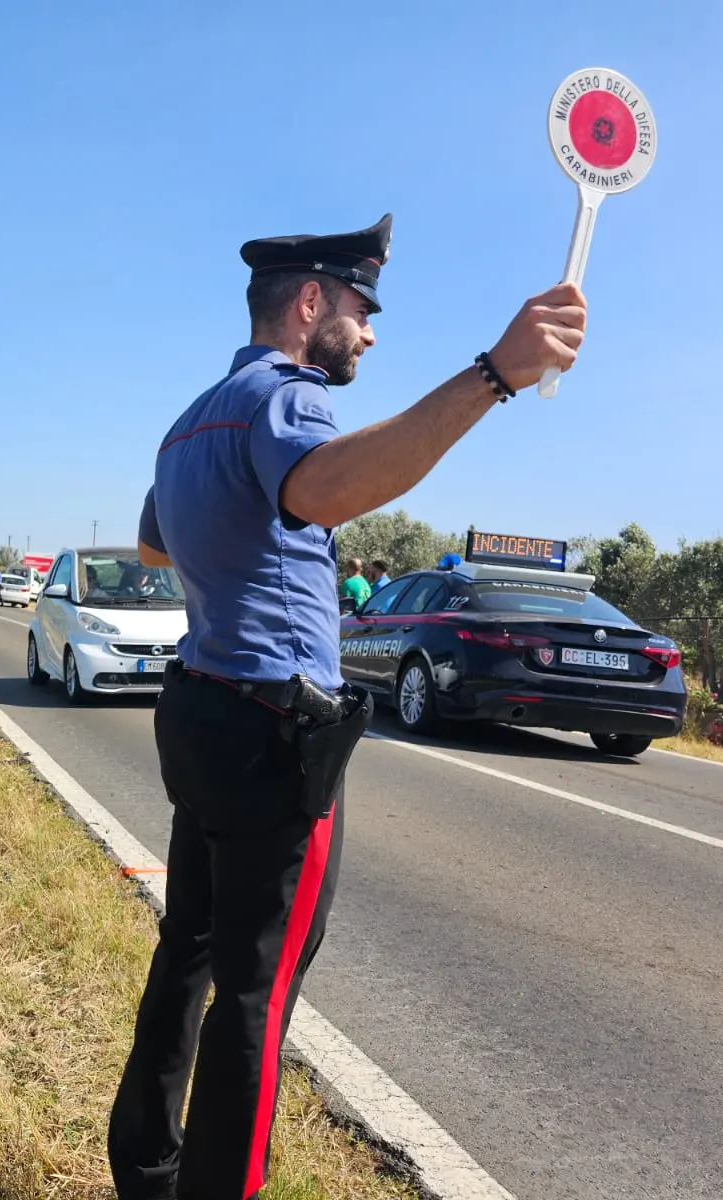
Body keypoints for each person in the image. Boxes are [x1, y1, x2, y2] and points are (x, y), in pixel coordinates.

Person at [113, 213, 586, 1200]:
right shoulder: (287, 401)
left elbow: (156, 545)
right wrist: (494, 375)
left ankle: (145, 1169)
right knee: (254, 996)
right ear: (311, 302)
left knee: (186, 957)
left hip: (196, 714)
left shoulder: (191, 418)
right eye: (362, 310)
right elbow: (327, 489)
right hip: (269, 737)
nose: (369, 333)